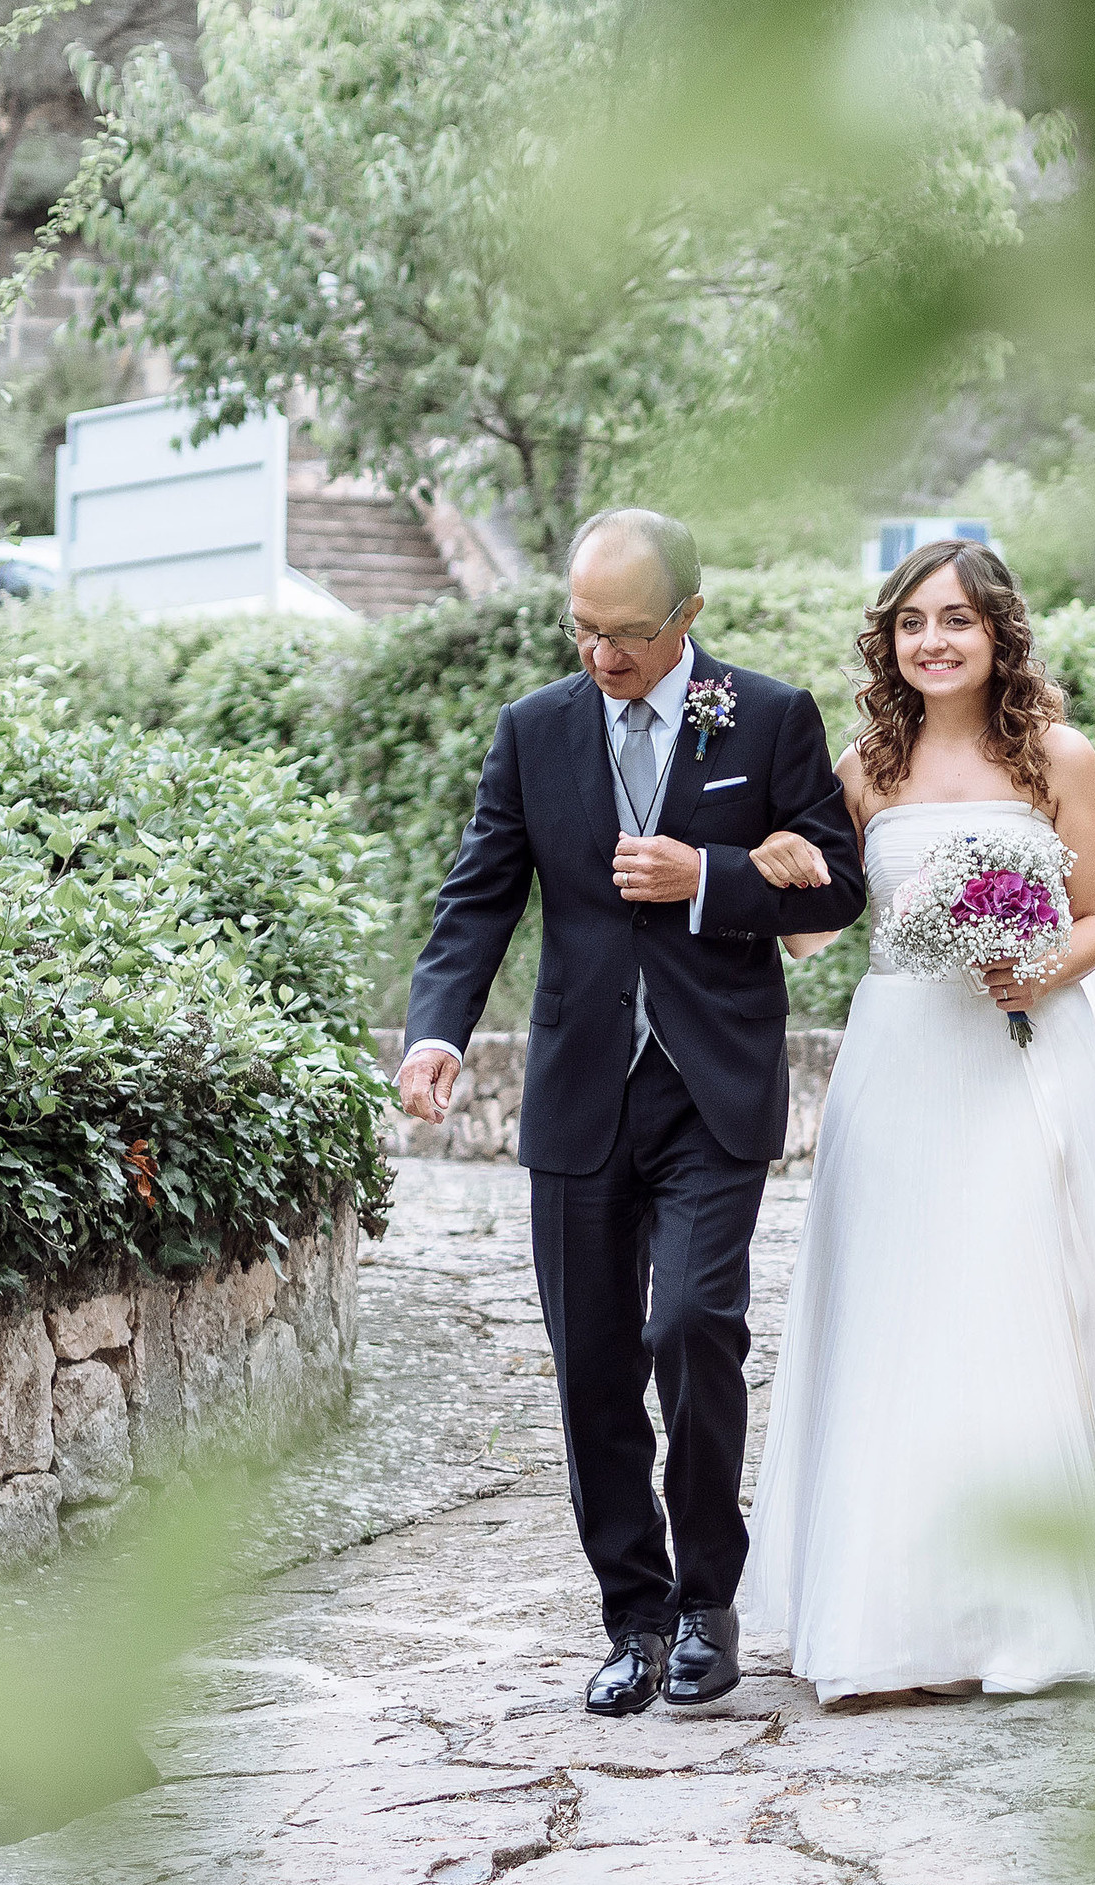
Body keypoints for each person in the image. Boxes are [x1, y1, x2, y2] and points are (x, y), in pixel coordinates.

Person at [737, 538, 1095, 1703]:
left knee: (1017, 1308)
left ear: (998, 632)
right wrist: (782, 870)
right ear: (888, 643)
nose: (933, 641)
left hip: (1025, 1061)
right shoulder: (865, 769)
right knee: (895, 1314)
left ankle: (1028, 1607)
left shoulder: (1057, 756)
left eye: (955, 619)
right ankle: (889, 1616)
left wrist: (1041, 967)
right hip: (899, 1062)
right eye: (911, 624)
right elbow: (815, 935)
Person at [396, 508, 866, 1718]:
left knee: (693, 1327)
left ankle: (710, 1598)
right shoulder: (533, 731)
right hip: (577, 1093)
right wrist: (437, 1032)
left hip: (712, 1084)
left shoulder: (767, 717)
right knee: (594, 1368)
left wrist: (707, 875)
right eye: (583, 630)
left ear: (689, 620)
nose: (601, 656)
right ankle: (636, 1617)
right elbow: (479, 897)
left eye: (627, 634)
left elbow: (839, 877)